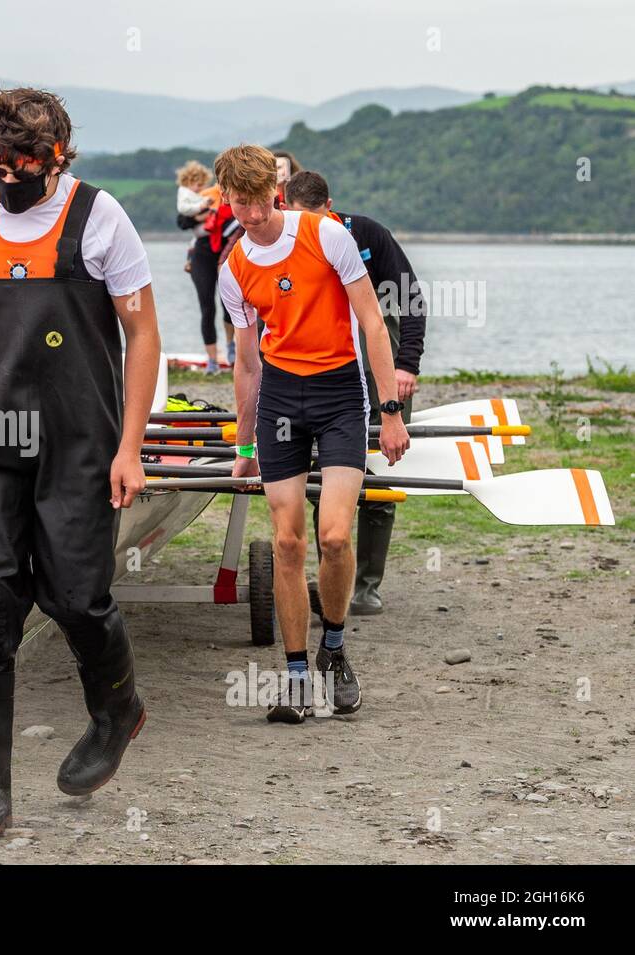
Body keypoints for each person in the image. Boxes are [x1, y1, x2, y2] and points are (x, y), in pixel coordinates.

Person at [0, 87, 159, 840]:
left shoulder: (101, 219)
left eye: (28, 166)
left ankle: (116, 706)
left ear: (57, 157)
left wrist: (131, 447)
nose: (12, 179)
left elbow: (144, 336)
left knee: (77, 596)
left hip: (78, 439)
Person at [216, 144, 408, 724]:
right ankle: (296, 676)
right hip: (280, 402)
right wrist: (245, 446)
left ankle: (334, 648)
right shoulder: (234, 270)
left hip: (340, 396)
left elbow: (372, 321)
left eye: (256, 202)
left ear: (275, 193)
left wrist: (390, 411)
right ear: (227, 200)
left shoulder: (326, 235)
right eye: (237, 204)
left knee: (334, 537)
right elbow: (246, 365)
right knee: (287, 543)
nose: (248, 215)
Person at [284, 170, 427, 615]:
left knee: (377, 478)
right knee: (325, 479)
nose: (306, 228)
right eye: (296, 219)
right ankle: (333, 571)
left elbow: (411, 299)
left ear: (330, 208)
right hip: (323, 372)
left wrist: (407, 365)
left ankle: (367, 585)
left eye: (315, 218)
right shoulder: (281, 242)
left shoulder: (366, 234)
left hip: (379, 369)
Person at [175, 160, 231, 374]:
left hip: (225, 249)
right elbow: (182, 221)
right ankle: (212, 359)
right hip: (202, 250)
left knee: (230, 304)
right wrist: (203, 214)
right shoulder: (201, 196)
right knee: (207, 306)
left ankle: (232, 348)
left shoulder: (229, 194)